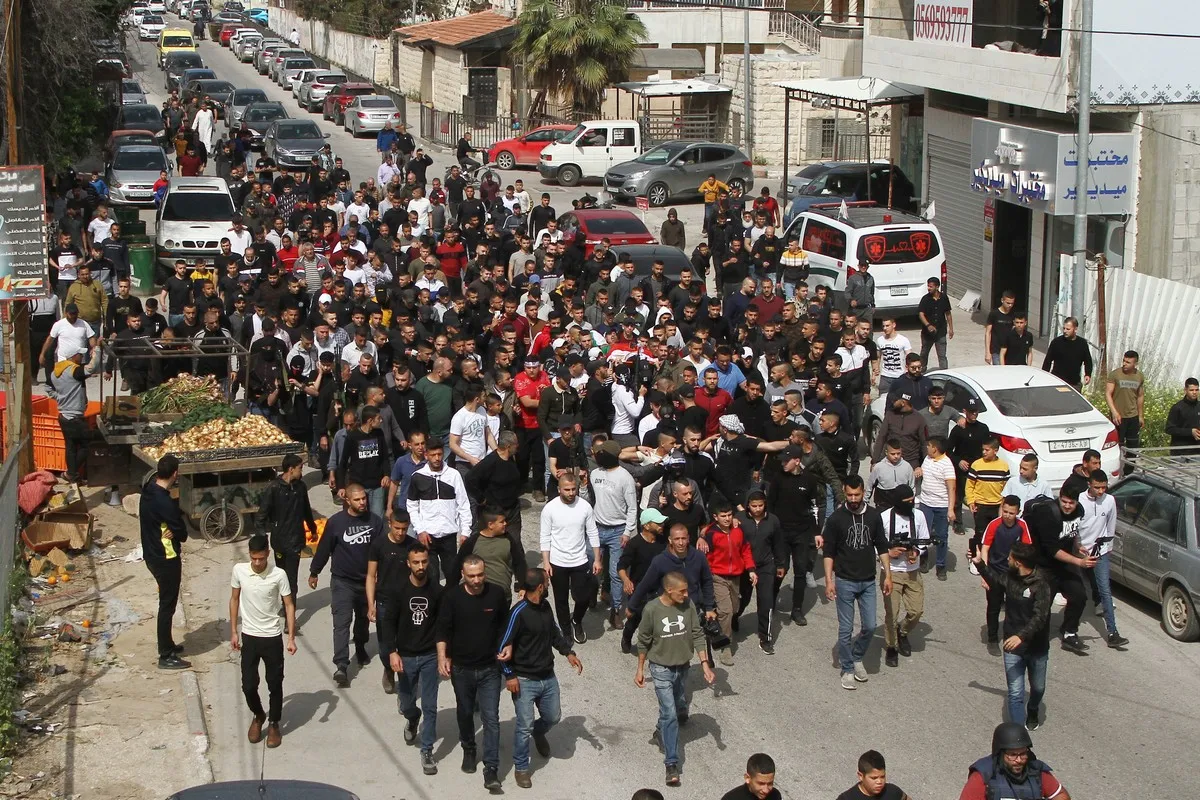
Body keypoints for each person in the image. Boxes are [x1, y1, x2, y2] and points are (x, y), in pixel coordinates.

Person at [497, 568, 584, 789]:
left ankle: (540, 731)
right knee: (523, 725)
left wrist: (568, 653)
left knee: (553, 717)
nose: (549, 585)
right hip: (524, 680)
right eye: (547, 582)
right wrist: (509, 675)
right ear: (540, 587)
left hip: (547, 676)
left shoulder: (545, 607)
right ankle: (521, 768)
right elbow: (501, 647)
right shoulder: (518, 612)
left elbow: (554, 633)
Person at [634, 571, 716, 788]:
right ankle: (671, 764)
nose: (686, 594)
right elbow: (643, 640)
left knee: (679, 709)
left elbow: (697, 634)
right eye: (682, 591)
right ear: (669, 590)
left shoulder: (688, 605)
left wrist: (705, 665)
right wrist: (640, 668)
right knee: (669, 713)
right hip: (660, 669)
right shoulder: (652, 609)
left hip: (683, 667)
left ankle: (660, 731)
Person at [436, 554, 510, 790]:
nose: (477, 580)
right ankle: (469, 748)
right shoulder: (452, 597)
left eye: (480, 575)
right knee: (465, 713)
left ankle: (491, 769)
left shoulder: (497, 595)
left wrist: (508, 646)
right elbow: (442, 631)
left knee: (491, 719)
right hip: (461, 669)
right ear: (463, 576)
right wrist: (442, 657)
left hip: (490, 669)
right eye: (472, 576)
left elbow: (504, 627)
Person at [309, 484, 386, 687]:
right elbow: (324, 548)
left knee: (362, 621)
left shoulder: (375, 522)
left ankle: (360, 645)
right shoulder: (336, 523)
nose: (363, 502)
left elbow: (382, 550)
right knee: (341, 623)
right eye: (358, 499)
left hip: (367, 583)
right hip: (343, 581)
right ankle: (341, 666)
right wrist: (314, 571)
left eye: (364, 499)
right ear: (348, 501)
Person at [971, 543, 1053, 729]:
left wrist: (1021, 636)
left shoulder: (1041, 585)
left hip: (1036, 648)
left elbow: (1040, 616)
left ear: (1018, 562)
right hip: (1012, 647)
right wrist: (979, 564)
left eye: (1010, 558)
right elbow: (995, 582)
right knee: (1015, 693)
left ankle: (1032, 708)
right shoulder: (1010, 577)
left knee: (1038, 688)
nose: (1007, 560)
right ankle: (1019, 734)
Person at [824, 475, 891, 690]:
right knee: (845, 629)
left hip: (868, 581)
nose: (853, 498)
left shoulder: (873, 516)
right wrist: (828, 581)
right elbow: (828, 553)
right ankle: (848, 669)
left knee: (870, 625)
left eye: (857, 494)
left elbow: (882, 547)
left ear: (864, 492)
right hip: (844, 581)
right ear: (844, 492)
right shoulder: (836, 519)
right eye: (849, 494)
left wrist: (888, 574)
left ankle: (856, 656)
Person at [229, 534, 296, 749]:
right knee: (248, 685)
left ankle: (274, 723)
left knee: (274, 683)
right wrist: (233, 631)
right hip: (249, 636)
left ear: (268, 554)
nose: (257, 563)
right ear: (249, 555)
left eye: (261, 558)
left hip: (272, 637)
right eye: (254, 558)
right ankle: (259, 715)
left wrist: (291, 637)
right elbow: (234, 599)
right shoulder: (240, 571)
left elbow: (289, 605)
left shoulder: (279, 575)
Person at [384, 543, 443, 775]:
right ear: (408, 564)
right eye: (416, 562)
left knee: (430, 706)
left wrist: (442, 656)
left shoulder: (437, 592)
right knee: (407, 703)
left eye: (424, 562)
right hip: (405, 656)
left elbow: (443, 626)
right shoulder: (398, 590)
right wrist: (392, 651)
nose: (421, 566)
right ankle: (412, 718)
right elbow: (387, 623)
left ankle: (427, 751)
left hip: (429, 656)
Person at [140, 455, 191, 670]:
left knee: (167, 603)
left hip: (152, 554)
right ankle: (165, 654)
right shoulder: (165, 501)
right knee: (167, 606)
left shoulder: (148, 493)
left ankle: (168, 643)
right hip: (166, 558)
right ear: (175, 474)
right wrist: (176, 530)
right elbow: (182, 533)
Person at [539, 473, 601, 643]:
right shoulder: (550, 509)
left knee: (582, 597)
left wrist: (597, 558)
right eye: (567, 489)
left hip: (580, 560)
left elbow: (593, 533)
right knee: (560, 600)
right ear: (559, 489)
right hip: (557, 561)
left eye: (574, 489)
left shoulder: (585, 507)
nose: (571, 492)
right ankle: (566, 630)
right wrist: (546, 562)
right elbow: (545, 537)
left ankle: (577, 621)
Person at [767, 445, 822, 627]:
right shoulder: (778, 479)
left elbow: (814, 507)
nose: (783, 463)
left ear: (797, 461)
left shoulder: (810, 480)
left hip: (802, 532)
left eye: (786, 460)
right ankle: (771, 603)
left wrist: (816, 532)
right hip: (781, 532)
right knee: (780, 569)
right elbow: (770, 506)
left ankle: (796, 610)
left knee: (801, 570)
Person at [406, 437, 472, 585]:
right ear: (426, 455)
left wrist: (465, 531)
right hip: (427, 536)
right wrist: (420, 530)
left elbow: (463, 504)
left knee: (452, 576)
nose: (437, 458)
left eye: (439, 454)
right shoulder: (417, 477)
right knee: (432, 577)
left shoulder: (454, 475)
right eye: (433, 455)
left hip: (449, 535)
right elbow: (412, 505)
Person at [1076, 470, 1129, 648]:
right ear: (1089, 484)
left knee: (1105, 591)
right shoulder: (1079, 500)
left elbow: (1110, 527)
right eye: (1097, 487)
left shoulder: (1109, 501)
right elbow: (1073, 526)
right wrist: (1077, 546)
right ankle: (1069, 630)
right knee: (1075, 591)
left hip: (1101, 552)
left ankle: (1113, 632)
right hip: (1080, 552)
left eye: (1104, 487)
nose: (1100, 491)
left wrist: (1107, 549)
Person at [255, 453, 317, 602]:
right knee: (281, 576)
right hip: (279, 542)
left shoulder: (301, 487)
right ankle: (284, 604)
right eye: (300, 468)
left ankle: (290, 612)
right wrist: (261, 541)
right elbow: (261, 516)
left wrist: (313, 529)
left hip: (295, 542)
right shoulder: (274, 488)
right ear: (290, 469)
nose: (301, 471)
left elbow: (306, 511)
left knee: (291, 580)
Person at [590, 440, 638, 629]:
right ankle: (594, 595)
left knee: (616, 573)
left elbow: (632, 508)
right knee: (591, 567)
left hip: (618, 530)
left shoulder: (624, 477)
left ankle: (615, 611)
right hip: (596, 528)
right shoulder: (595, 474)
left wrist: (628, 532)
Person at [879, 486, 928, 668]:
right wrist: (889, 552)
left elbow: (924, 539)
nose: (910, 505)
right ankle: (891, 646)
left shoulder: (919, 516)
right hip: (891, 572)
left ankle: (903, 631)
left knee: (916, 611)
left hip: (912, 572)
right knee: (892, 613)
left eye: (912, 501)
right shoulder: (884, 518)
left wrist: (916, 551)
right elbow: (876, 545)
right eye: (906, 502)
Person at [958, 723, 1072, 800]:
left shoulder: (1037, 773)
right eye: (1012, 755)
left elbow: (1060, 795)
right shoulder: (983, 776)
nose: (1019, 760)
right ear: (1001, 754)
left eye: (1023, 754)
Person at [703, 502, 756, 666]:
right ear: (716, 517)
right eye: (723, 516)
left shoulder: (738, 531)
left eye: (729, 515)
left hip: (736, 577)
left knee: (734, 609)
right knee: (726, 611)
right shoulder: (712, 534)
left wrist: (751, 569)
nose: (727, 519)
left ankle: (715, 624)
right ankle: (725, 646)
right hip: (718, 576)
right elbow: (706, 558)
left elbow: (745, 550)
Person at [366, 512, 413, 694]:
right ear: (389, 524)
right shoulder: (379, 545)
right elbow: (371, 576)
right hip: (385, 601)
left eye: (404, 529)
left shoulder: (412, 545)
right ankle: (388, 669)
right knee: (386, 643)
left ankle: (405, 678)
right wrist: (371, 604)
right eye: (397, 528)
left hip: (407, 603)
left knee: (406, 642)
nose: (401, 533)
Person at [979, 496, 1033, 646]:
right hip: (994, 572)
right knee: (993, 606)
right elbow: (985, 548)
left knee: (1015, 606)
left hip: (1013, 575)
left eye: (1011, 513)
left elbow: (1027, 550)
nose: (1007, 516)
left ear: (1018, 512)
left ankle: (1013, 637)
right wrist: (984, 574)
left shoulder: (1022, 526)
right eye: (1005, 511)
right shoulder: (994, 525)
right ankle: (992, 638)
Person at [49, 343, 98, 484]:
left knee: (70, 446)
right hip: (74, 418)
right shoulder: (73, 371)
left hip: (63, 416)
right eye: (80, 354)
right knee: (87, 443)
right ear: (73, 356)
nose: (82, 356)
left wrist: (58, 397)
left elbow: (47, 387)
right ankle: (70, 473)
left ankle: (73, 477)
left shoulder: (55, 372)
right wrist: (97, 351)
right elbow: (91, 368)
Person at [965, 438, 1010, 574]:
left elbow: (1006, 487)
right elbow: (969, 485)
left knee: (995, 533)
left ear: (995, 451)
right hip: (981, 505)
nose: (984, 452)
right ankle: (975, 556)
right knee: (980, 532)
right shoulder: (977, 465)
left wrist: (1004, 504)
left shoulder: (1003, 466)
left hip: (997, 505)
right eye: (983, 449)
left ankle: (990, 558)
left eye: (987, 450)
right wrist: (971, 501)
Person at [917, 435, 956, 580]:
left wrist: (950, 509)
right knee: (922, 534)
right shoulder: (927, 459)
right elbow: (923, 471)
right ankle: (924, 559)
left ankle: (941, 565)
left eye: (929, 445)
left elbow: (951, 488)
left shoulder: (947, 464)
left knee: (941, 536)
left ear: (935, 448)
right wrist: (919, 471)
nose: (926, 447)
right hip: (925, 503)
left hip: (941, 507)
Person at [1104, 350, 1144, 468]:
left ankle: (1129, 471)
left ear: (1135, 363)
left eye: (1128, 362)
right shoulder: (1115, 374)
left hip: (1133, 416)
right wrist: (1114, 412)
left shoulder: (1139, 376)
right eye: (1124, 361)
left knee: (1132, 446)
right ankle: (1116, 469)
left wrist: (1141, 415)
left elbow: (1140, 396)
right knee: (1117, 445)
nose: (1125, 364)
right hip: (1119, 416)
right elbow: (1108, 394)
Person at [836, 750, 912, 800]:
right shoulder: (847, 798)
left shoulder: (893, 792)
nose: (879, 782)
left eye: (882, 776)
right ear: (860, 776)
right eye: (874, 778)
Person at [1041, 316, 1092, 389]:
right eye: (1064, 328)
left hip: (1074, 383)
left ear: (1075, 329)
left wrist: (1088, 374)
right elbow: (1047, 361)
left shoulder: (1082, 343)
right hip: (1057, 381)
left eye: (1068, 329)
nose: (1065, 331)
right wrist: (1044, 376)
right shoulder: (1056, 342)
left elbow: (1088, 360)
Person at [916, 277, 953, 370]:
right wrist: (928, 325)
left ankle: (944, 372)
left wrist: (951, 328)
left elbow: (948, 313)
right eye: (928, 286)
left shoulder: (944, 298)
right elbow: (921, 314)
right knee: (924, 353)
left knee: (942, 355)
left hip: (941, 332)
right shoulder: (925, 299)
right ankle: (922, 371)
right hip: (927, 334)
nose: (929, 288)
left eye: (931, 286)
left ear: (937, 287)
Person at [1165, 377, 1200, 456]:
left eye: (1196, 390)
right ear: (1185, 390)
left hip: (1196, 452)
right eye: (1191, 390)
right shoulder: (1177, 408)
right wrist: (1190, 432)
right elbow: (1169, 429)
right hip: (1180, 451)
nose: (1194, 392)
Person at [984, 291, 1015, 365]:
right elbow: (988, 333)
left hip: (1009, 350)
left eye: (1012, 303)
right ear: (1002, 300)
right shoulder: (994, 314)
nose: (1010, 305)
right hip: (996, 350)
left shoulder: (1013, 314)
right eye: (1008, 303)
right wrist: (988, 352)